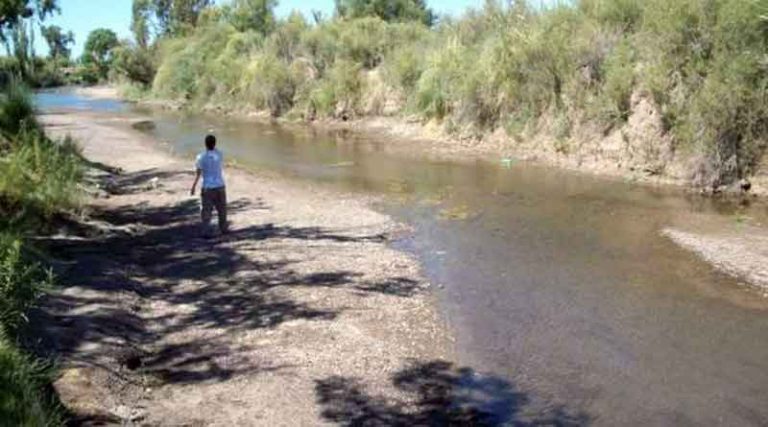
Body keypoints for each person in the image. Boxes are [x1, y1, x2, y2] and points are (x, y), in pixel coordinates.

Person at [190, 134, 228, 235]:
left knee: (206, 211)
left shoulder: (201, 157)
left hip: (207, 187)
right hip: (220, 185)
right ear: (215, 144)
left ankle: (206, 231)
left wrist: (193, 186)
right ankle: (223, 228)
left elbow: (198, 173)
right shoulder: (219, 154)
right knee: (222, 209)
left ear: (205, 144)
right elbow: (216, 152)